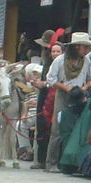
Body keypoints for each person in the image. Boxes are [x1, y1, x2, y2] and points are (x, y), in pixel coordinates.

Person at [45, 32, 91, 173]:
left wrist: (83, 88)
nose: (86, 51)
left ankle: (73, 162)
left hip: (80, 96)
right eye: (84, 47)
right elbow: (51, 78)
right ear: (77, 47)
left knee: (78, 129)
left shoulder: (87, 61)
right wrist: (67, 88)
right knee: (57, 129)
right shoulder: (60, 60)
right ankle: (51, 162)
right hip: (63, 95)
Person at [31, 31, 65, 169]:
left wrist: (44, 83)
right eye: (53, 51)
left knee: (51, 127)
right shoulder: (46, 61)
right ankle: (41, 159)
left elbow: (55, 80)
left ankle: (50, 160)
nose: (54, 53)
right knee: (41, 126)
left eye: (57, 51)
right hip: (45, 95)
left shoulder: (60, 63)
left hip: (54, 96)